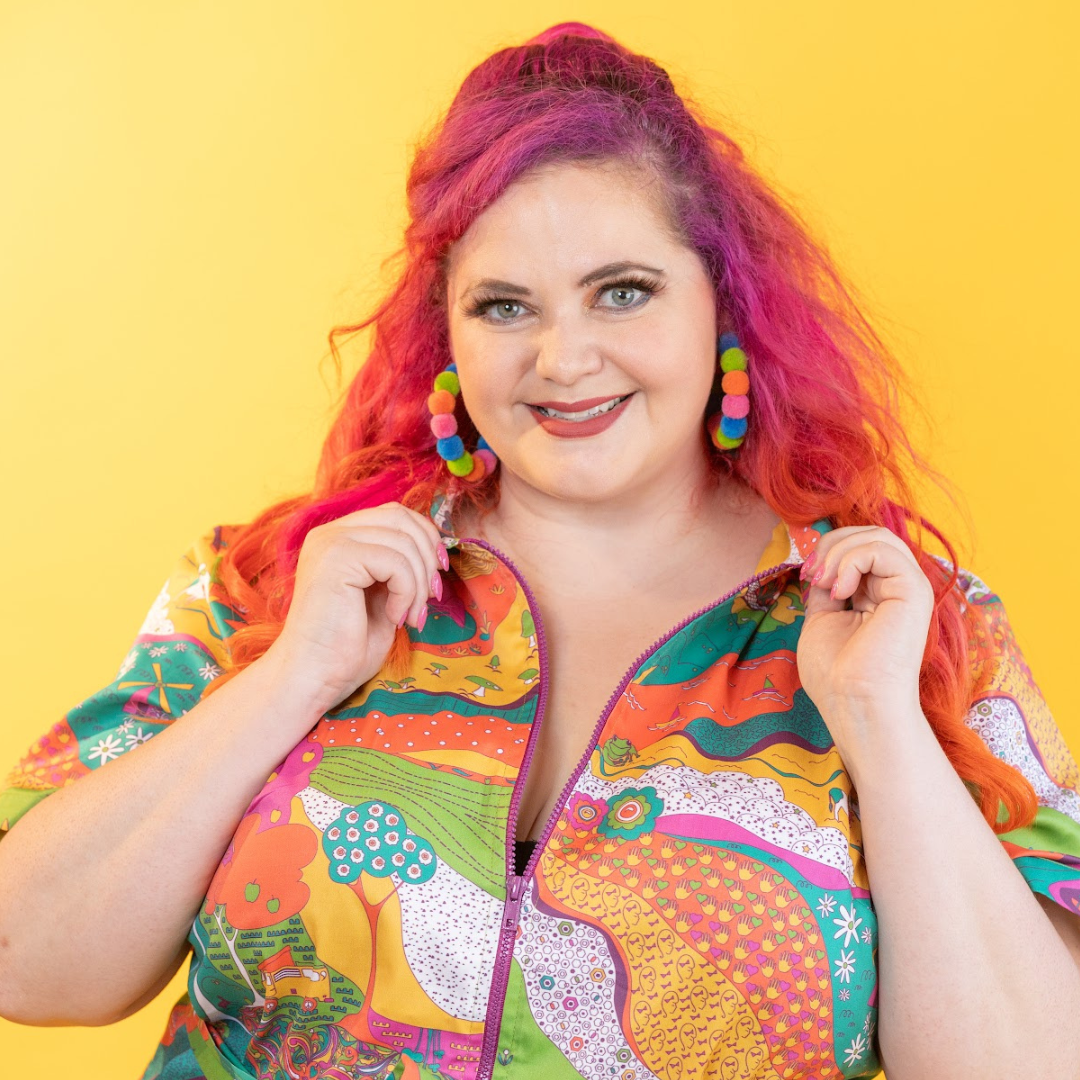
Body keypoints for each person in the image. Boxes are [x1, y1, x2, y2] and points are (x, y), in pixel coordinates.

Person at [1, 20, 1078, 1080]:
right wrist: (294, 678)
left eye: (624, 291)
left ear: (724, 304)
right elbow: (27, 966)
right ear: (449, 340)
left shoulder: (908, 630)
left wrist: (882, 728)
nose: (564, 358)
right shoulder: (271, 588)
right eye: (505, 306)